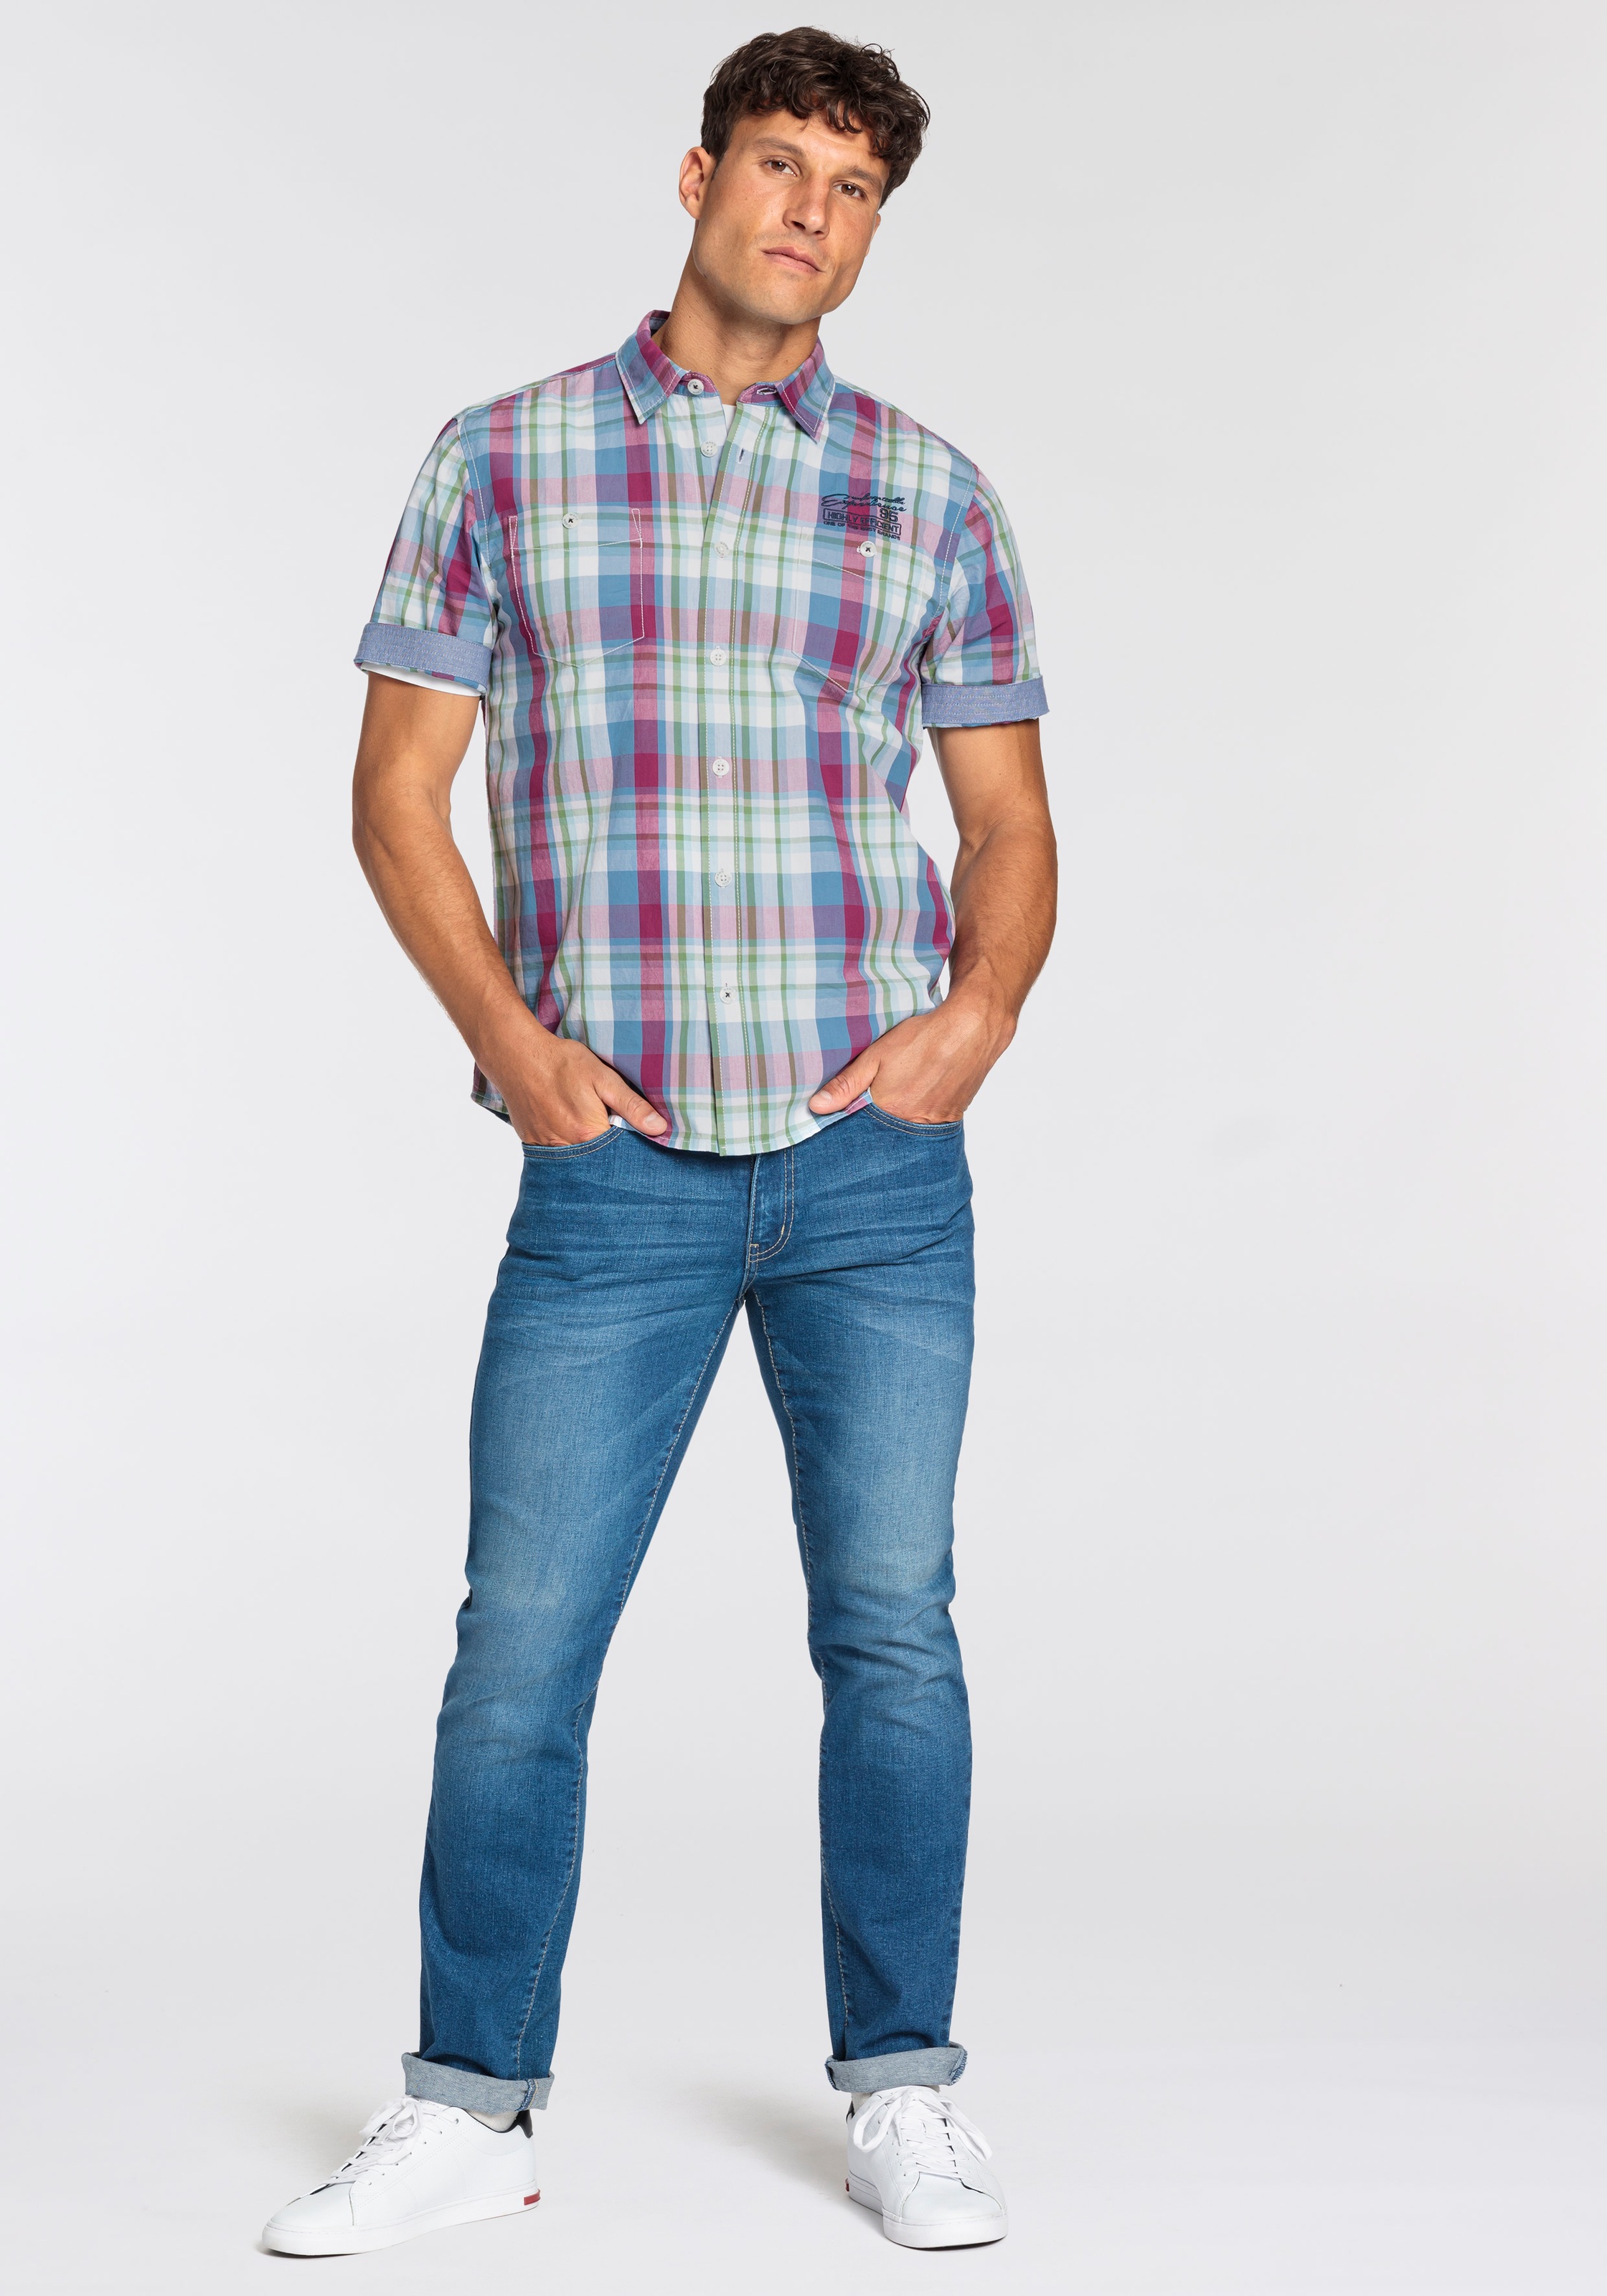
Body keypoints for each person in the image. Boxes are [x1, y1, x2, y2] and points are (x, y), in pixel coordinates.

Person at [263, 25, 1054, 2259]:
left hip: (871, 1173)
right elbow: (395, 793)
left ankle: (905, 2090)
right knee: (523, 1644)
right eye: (782, 166)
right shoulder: (501, 456)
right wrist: (508, 1041)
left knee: (894, 1634)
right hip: (611, 1172)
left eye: (855, 189)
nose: (814, 214)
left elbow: (1007, 819)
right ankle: (471, 2107)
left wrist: (977, 1017)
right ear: (698, 177)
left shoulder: (930, 492)